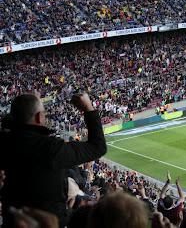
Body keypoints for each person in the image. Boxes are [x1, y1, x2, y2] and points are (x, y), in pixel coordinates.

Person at [0, 92, 107, 227]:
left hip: (11, 222)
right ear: (39, 117)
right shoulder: (51, 148)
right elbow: (98, 147)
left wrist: (32, 106)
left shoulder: (4, 143)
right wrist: (88, 107)